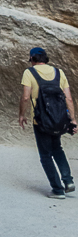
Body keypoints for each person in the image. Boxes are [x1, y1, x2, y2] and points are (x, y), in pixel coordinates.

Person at [18, 46, 77, 198]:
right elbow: (69, 98)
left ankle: (57, 190)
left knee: (45, 155)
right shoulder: (59, 72)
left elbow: (25, 97)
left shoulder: (29, 72)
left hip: (41, 121)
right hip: (58, 120)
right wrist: (73, 120)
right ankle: (68, 181)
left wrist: (21, 115)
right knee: (57, 149)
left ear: (32, 59)